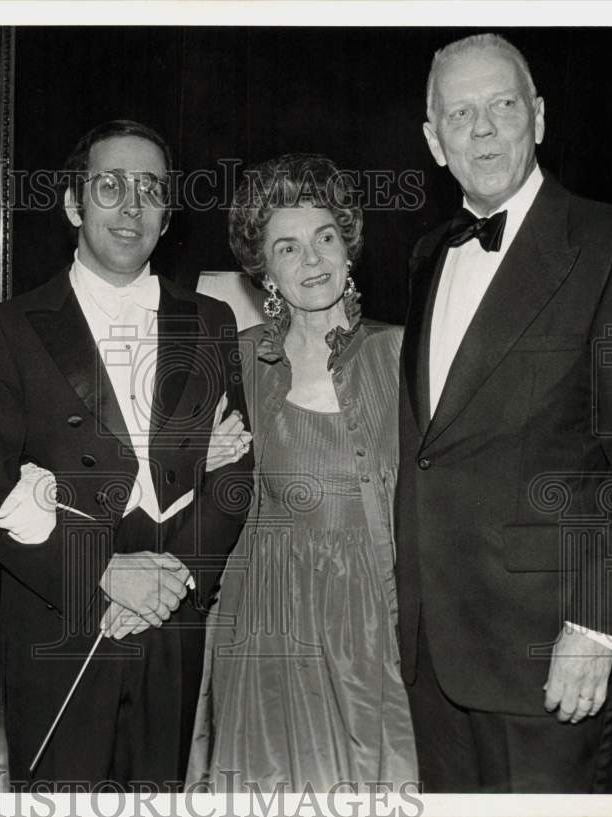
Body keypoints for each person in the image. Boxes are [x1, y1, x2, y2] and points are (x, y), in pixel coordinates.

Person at [0, 119, 254, 789]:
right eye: (110, 185)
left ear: (167, 212)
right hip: (64, 629)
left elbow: (234, 472)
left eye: (149, 189)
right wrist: (105, 573)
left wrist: (172, 576)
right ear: (72, 204)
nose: (131, 206)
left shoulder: (211, 321)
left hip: (172, 625)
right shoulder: (9, 327)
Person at [396, 33, 612, 792]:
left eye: (502, 105)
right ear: (432, 141)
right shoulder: (427, 255)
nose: (482, 129)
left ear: (537, 117)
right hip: (434, 652)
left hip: (554, 654)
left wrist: (601, 623)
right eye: (459, 113)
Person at [186, 154, 418, 791]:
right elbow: (184, 486)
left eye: (325, 238)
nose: (312, 260)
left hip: (373, 617)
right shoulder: (237, 359)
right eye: (288, 247)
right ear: (264, 269)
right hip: (264, 621)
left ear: (348, 249)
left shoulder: (404, 354)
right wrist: (197, 462)